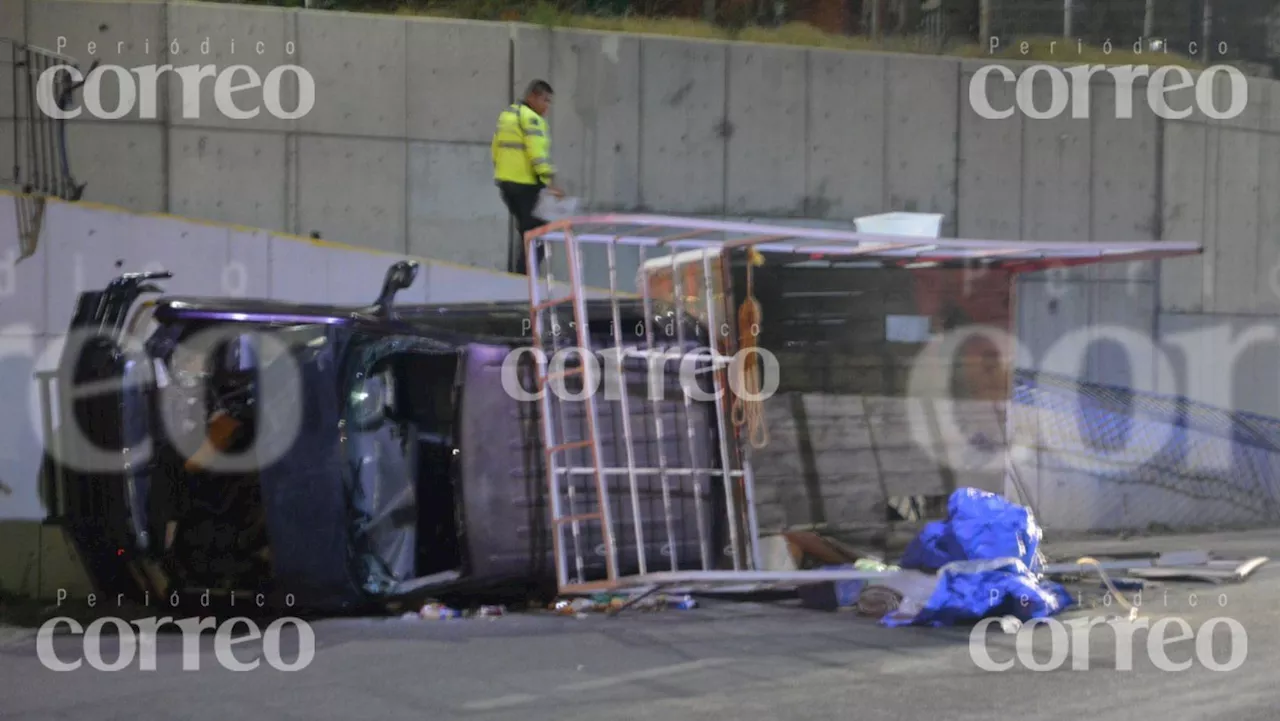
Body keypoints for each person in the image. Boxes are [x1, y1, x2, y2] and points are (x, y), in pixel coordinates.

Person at [492, 79, 564, 275]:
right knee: (538, 232)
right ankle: (525, 279)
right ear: (532, 96)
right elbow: (537, 153)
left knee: (526, 229)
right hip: (526, 184)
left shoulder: (508, 114)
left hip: (506, 184)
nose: (547, 106)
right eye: (545, 100)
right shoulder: (532, 119)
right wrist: (550, 181)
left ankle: (521, 276)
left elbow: (495, 148)